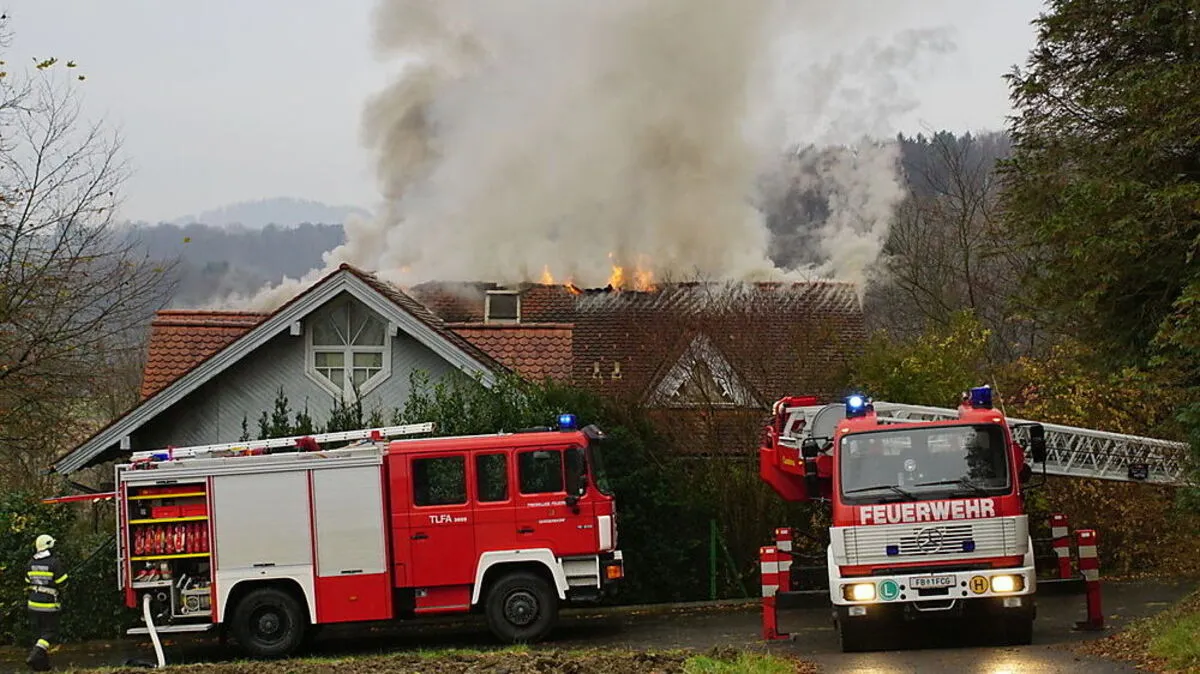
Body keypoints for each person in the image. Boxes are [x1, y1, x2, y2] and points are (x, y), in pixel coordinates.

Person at [25, 534, 67, 672]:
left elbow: (27, 581)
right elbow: (63, 582)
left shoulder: (30, 563)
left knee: (39, 635)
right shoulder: (54, 562)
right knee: (49, 633)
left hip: (32, 604)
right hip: (48, 605)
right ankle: (34, 655)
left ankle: (42, 667)